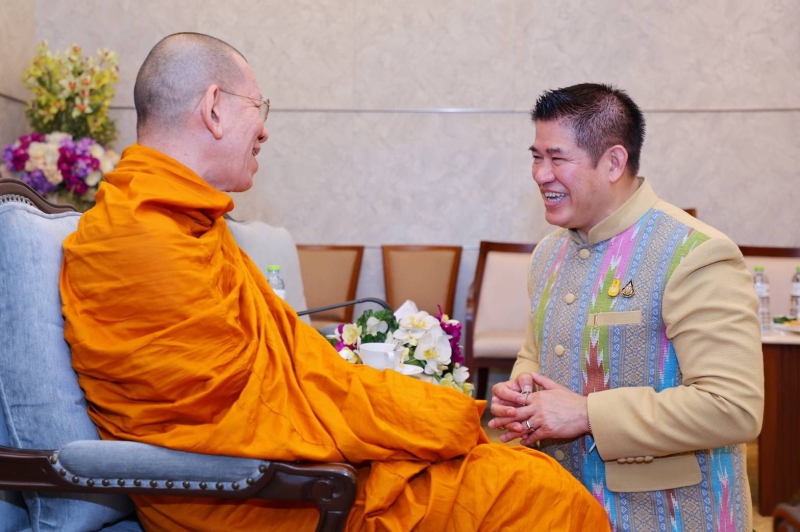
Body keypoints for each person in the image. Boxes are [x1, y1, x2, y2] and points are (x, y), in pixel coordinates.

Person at [60, 33, 609, 531]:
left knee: (523, 476)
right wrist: (429, 417)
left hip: (287, 468)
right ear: (214, 109)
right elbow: (254, 411)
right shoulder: (138, 240)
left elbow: (282, 374)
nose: (264, 129)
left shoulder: (181, 223)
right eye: (258, 107)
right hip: (255, 497)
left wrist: (418, 412)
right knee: (539, 497)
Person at [489, 83, 764, 531]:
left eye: (557, 158)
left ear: (614, 162)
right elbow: (534, 354)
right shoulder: (548, 254)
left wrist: (584, 413)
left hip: (669, 515)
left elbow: (733, 407)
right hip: (563, 507)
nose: (540, 174)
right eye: (536, 157)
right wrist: (523, 392)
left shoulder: (695, 252)